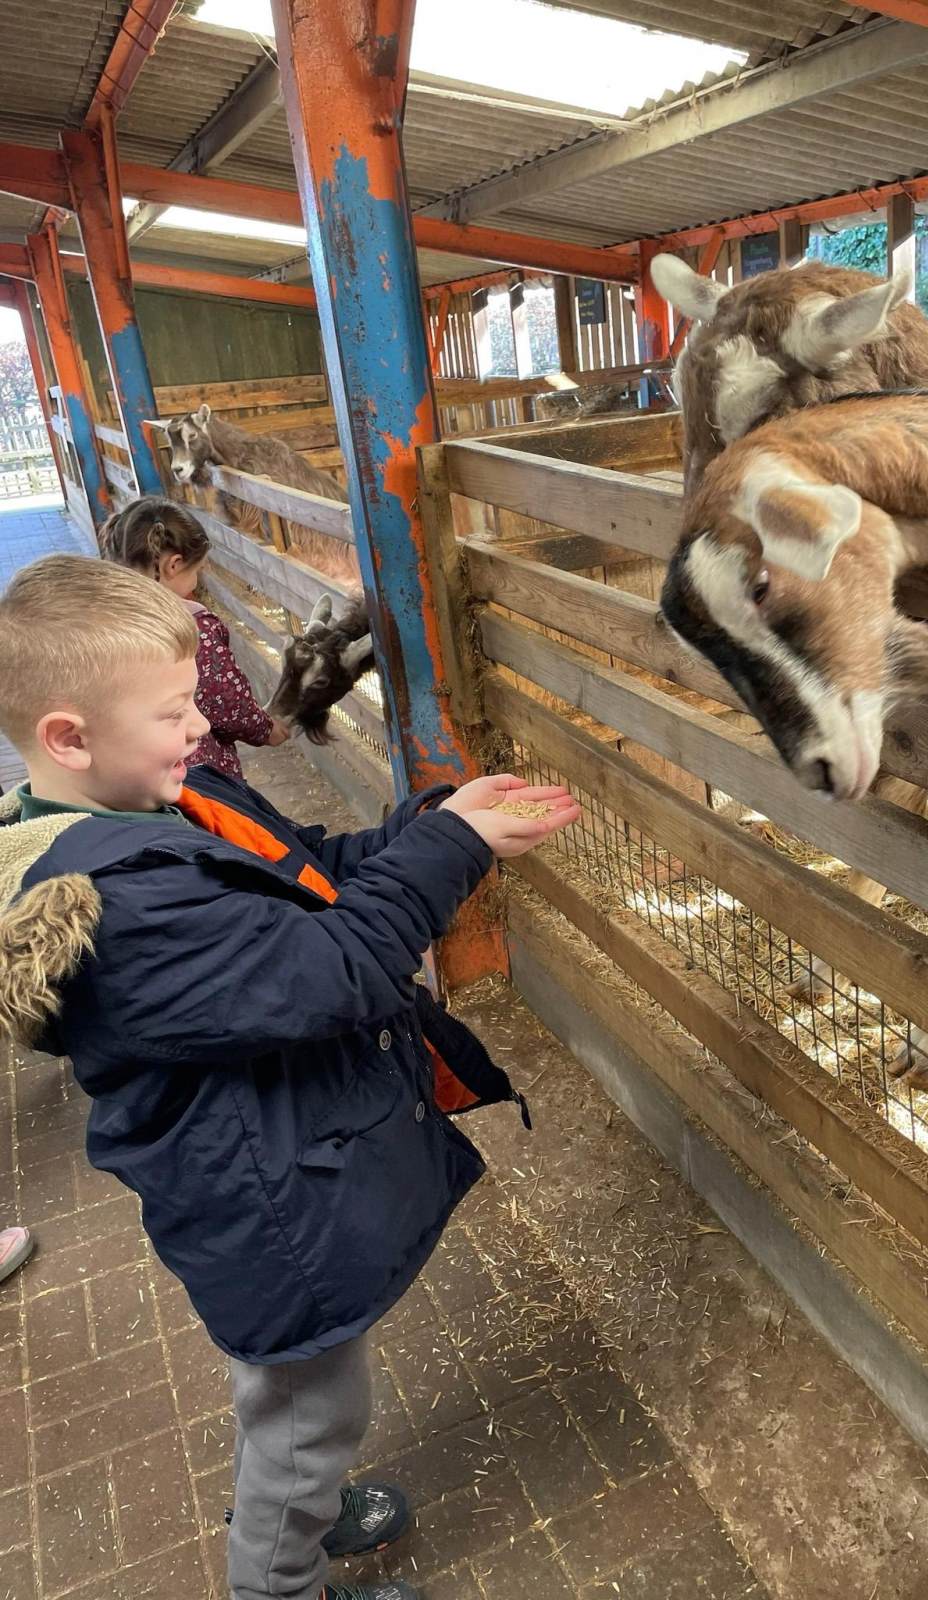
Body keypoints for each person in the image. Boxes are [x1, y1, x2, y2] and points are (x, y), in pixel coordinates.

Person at [0, 555, 580, 1600]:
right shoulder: (122, 911)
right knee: (310, 1417)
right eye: (174, 711)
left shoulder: (160, 801)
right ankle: (281, 1572)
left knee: (294, 1408)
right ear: (70, 738)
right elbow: (337, 968)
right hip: (267, 1214)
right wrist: (453, 849)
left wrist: (425, 826)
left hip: (273, 1170)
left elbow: (306, 873)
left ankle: (299, 1508)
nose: (200, 726)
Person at [99, 496, 290, 778]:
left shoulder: (101, 616)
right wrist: (265, 729)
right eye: (197, 570)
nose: (197, 580)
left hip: (126, 772)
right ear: (174, 565)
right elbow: (225, 701)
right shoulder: (191, 627)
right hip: (193, 773)